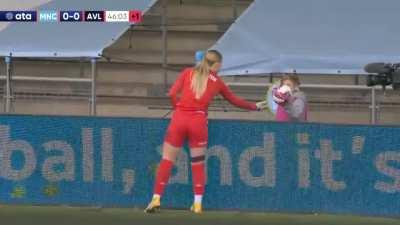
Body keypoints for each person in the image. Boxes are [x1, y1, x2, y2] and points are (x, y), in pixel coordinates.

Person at [145, 49, 267, 214]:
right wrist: (255, 107)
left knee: (167, 160)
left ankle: (156, 198)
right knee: (198, 164)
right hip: (198, 122)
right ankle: (197, 204)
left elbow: (172, 93)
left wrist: (178, 109)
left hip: (179, 119)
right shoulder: (217, 81)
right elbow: (234, 100)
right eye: (220, 65)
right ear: (216, 65)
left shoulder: (188, 72)